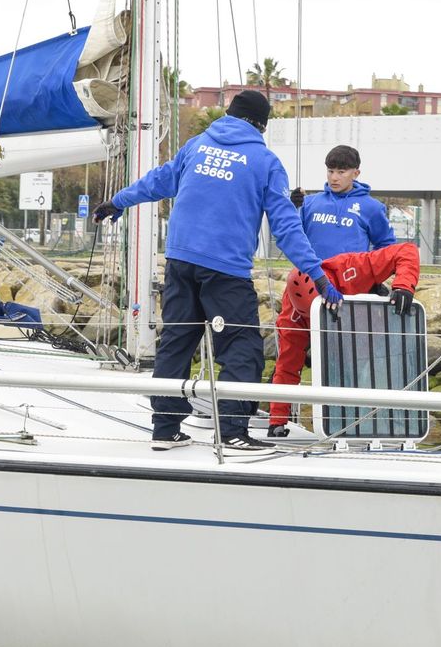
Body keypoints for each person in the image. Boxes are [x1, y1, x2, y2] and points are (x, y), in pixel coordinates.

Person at [93, 90, 340, 453]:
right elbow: (286, 227)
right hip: (225, 271)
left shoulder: (197, 146)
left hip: (180, 262)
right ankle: (233, 430)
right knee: (241, 347)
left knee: (176, 342)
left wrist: (117, 201)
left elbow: (157, 181)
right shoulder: (264, 161)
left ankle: (164, 428)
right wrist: (317, 275)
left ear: (229, 114)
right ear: (262, 124)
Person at [266, 242, 421, 435]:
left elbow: (406, 250)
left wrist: (404, 286)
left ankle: (377, 425)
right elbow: (287, 368)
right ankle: (343, 427)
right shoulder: (292, 318)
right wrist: (277, 421)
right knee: (323, 372)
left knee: (367, 376)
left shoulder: (350, 267)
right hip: (331, 343)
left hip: (366, 331)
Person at [292, 144, 395, 256]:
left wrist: (366, 268)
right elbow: (288, 233)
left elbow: (387, 246)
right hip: (313, 273)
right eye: (330, 171)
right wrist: (291, 207)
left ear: (355, 174)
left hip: (351, 273)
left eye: (341, 172)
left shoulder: (372, 207)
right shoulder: (308, 203)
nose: (334, 178)